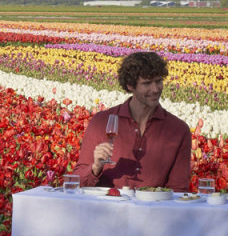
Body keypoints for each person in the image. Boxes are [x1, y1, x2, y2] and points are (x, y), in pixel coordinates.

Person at [73, 51, 191, 191]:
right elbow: (76, 182)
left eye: (158, 81)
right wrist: (95, 168)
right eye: (146, 83)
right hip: (107, 208)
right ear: (130, 85)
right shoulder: (101, 122)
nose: (155, 89)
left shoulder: (178, 130)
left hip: (153, 209)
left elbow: (178, 189)